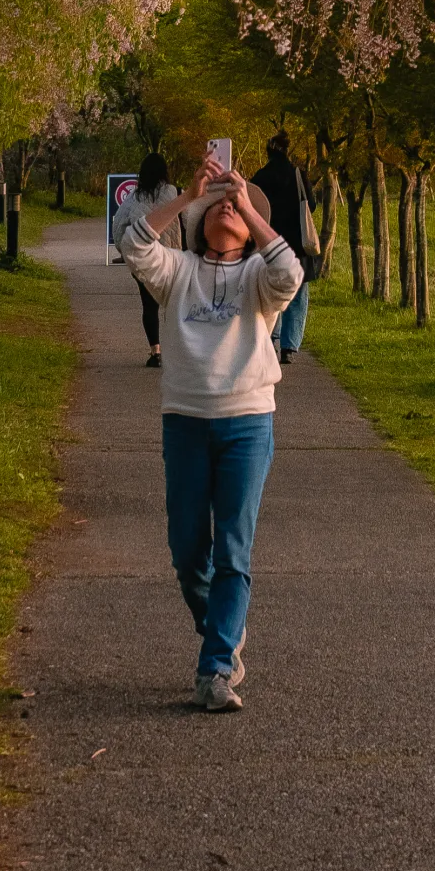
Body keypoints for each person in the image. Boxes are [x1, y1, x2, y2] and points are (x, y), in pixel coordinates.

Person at [119, 153, 304, 713]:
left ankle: (216, 667)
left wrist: (248, 202)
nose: (227, 208)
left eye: (237, 210)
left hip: (247, 422)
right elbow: (132, 244)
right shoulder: (177, 271)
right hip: (186, 422)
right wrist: (187, 195)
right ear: (198, 223)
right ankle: (223, 630)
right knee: (186, 552)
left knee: (232, 549)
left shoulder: (257, 278)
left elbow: (291, 272)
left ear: (249, 232)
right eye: (218, 206)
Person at [252, 129, 316, 361]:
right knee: (297, 292)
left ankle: (271, 337)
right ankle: (289, 346)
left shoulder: (260, 176)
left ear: (268, 152)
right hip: (297, 242)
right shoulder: (298, 174)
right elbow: (312, 206)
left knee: (271, 291)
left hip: (269, 243)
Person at [112, 152, 179, 366]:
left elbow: (118, 226)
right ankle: (178, 351)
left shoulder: (134, 197)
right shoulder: (173, 193)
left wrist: (126, 252)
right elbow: (189, 220)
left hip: (144, 260)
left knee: (149, 306)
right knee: (176, 306)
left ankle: (155, 352)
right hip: (172, 259)